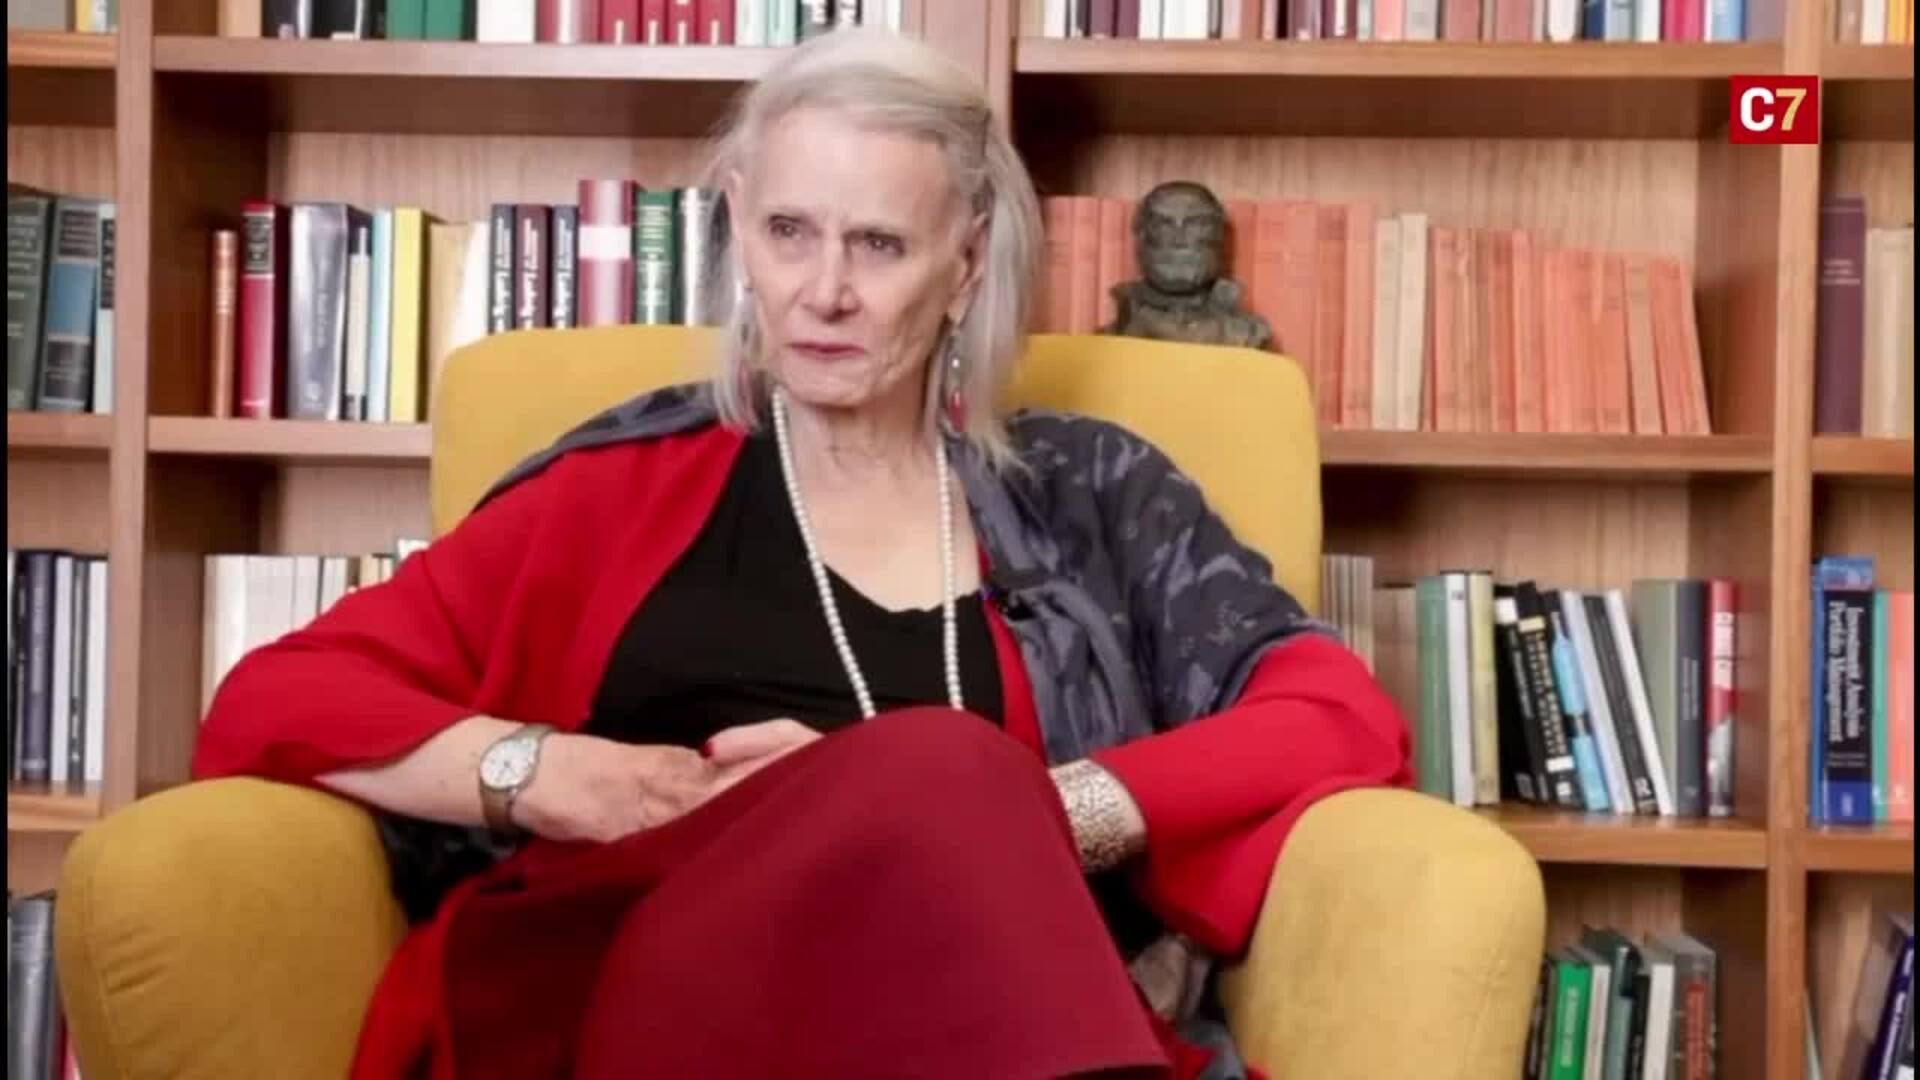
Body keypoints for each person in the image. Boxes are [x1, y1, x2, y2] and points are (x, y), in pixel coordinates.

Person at [192, 27, 1411, 1080]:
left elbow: (1338, 716)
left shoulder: (1093, 496)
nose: (824, 291)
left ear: (966, 263)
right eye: (788, 232)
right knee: (946, 759)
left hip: (966, 1020)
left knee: (952, 773)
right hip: (649, 985)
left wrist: (1037, 811)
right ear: (738, 228)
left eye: (878, 245)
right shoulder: (611, 489)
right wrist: (546, 773)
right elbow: (273, 700)